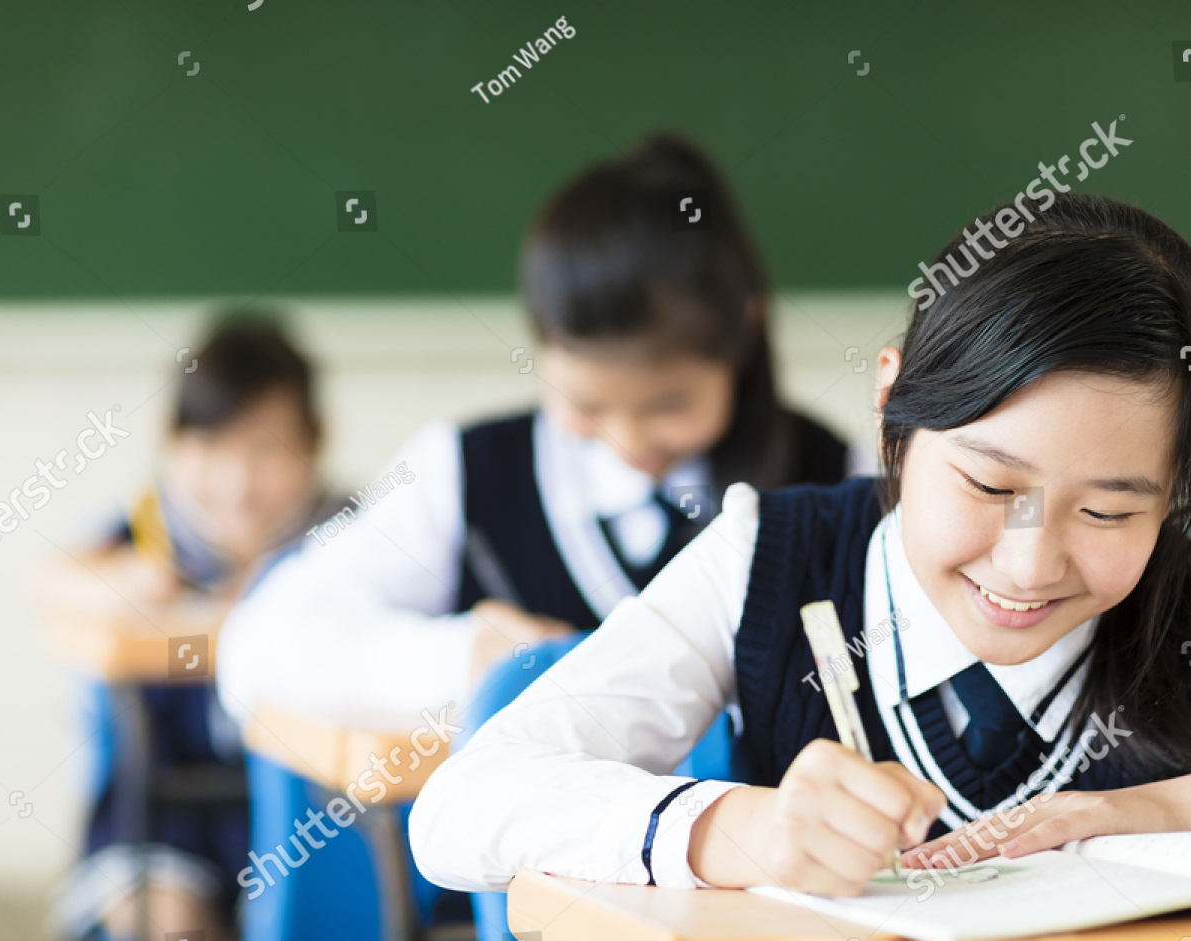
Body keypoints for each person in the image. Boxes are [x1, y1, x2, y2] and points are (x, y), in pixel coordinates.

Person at [406, 193, 1191, 899]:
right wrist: (740, 832)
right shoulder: (770, 561)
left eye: (1112, 512)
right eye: (992, 485)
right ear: (893, 401)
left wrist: (1181, 808)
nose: (1031, 565)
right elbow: (461, 809)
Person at [217, 133, 861, 726]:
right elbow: (258, 646)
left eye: (668, 406)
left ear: (742, 338)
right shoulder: (463, 472)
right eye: (585, 403)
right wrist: (460, 657)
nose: (628, 441)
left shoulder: (839, 477)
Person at [44, 317, 342, 941]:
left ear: (315, 444)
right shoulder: (147, 538)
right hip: (162, 833)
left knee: (335, 937)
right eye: (209, 446)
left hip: (317, 820)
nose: (238, 481)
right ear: (172, 448)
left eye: (268, 448)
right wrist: (131, 583)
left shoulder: (353, 539)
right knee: (176, 940)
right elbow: (46, 582)